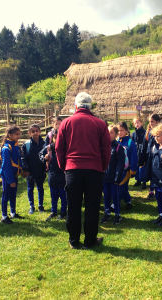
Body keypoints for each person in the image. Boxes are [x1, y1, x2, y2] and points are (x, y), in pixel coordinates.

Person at [56, 92, 111, 249]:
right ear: (90, 106)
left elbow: (59, 148)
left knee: (73, 205)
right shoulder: (100, 124)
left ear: (75, 106)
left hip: (73, 169)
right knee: (92, 206)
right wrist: (102, 166)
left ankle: (74, 240)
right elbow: (106, 150)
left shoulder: (66, 123)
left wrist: (63, 167)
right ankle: (90, 240)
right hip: (94, 169)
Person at [145, 124, 162, 226]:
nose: (156, 138)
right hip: (155, 179)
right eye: (155, 136)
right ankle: (161, 215)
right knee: (158, 197)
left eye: (158, 136)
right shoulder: (154, 148)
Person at [39, 129, 67, 221]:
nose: (57, 139)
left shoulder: (65, 148)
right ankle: (54, 211)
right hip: (52, 174)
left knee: (63, 195)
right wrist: (44, 158)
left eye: (59, 137)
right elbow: (40, 155)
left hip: (62, 175)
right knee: (53, 195)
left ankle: (63, 212)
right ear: (52, 138)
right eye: (55, 137)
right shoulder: (48, 148)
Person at [0, 125, 25, 224]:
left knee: (13, 195)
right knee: (6, 196)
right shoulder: (6, 148)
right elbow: (6, 166)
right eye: (16, 134)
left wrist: (21, 172)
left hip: (14, 175)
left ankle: (13, 213)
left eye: (19, 134)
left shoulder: (15, 145)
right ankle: (4, 216)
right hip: (8, 176)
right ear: (9, 135)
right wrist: (10, 180)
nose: (18, 136)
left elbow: (18, 161)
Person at [101, 125, 125, 225]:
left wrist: (117, 177)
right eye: (107, 132)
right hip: (104, 177)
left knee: (115, 197)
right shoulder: (103, 146)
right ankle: (107, 213)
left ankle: (117, 215)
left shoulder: (118, 147)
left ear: (115, 135)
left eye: (111, 132)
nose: (108, 134)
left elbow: (120, 164)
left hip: (114, 178)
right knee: (106, 196)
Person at [21, 124, 46, 214]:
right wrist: (26, 169)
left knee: (40, 187)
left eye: (37, 131)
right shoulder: (26, 145)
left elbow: (46, 157)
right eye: (33, 131)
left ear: (40, 132)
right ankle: (31, 206)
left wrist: (45, 168)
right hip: (30, 171)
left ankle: (40, 205)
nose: (35, 133)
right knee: (30, 188)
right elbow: (23, 158)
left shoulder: (44, 144)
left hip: (40, 169)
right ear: (29, 133)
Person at [140, 113, 162, 200]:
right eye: (149, 121)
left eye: (152, 121)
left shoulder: (160, 131)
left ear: (157, 121)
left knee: (157, 173)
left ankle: (158, 191)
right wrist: (143, 157)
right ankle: (151, 190)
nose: (150, 123)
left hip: (158, 156)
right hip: (149, 156)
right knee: (150, 173)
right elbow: (145, 145)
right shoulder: (148, 131)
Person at [117, 121, 138, 210]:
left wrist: (133, 170)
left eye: (122, 130)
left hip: (126, 170)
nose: (119, 132)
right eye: (118, 130)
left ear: (126, 131)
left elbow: (134, 157)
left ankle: (115, 204)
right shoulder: (116, 141)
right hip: (117, 170)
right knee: (123, 187)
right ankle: (128, 201)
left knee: (120, 186)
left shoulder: (130, 142)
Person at [131, 116, 146, 189]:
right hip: (136, 150)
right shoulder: (133, 133)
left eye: (138, 122)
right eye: (135, 123)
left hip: (142, 150)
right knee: (136, 165)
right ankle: (138, 180)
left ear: (141, 123)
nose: (137, 124)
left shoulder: (144, 132)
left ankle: (143, 181)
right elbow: (133, 142)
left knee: (142, 166)